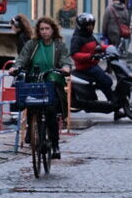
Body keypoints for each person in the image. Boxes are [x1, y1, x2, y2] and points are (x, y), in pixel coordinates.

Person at [17, 16, 71, 160]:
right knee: (30, 107)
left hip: (52, 81)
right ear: (38, 31)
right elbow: (22, 58)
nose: (45, 32)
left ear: (53, 30)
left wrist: (65, 68)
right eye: (42, 29)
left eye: (47, 29)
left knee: (51, 112)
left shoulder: (59, 45)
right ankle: (32, 135)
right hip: (34, 80)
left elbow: (66, 60)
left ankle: (55, 144)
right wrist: (15, 67)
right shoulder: (32, 44)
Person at [70, 12, 122, 115]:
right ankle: (113, 105)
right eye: (88, 25)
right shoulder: (77, 38)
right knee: (107, 82)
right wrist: (89, 56)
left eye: (92, 25)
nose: (90, 27)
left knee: (105, 84)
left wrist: (109, 48)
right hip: (85, 67)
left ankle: (114, 106)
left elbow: (97, 47)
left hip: (92, 65)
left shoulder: (90, 36)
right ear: (82, 26)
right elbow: (74, 54)